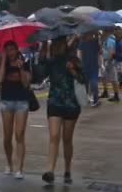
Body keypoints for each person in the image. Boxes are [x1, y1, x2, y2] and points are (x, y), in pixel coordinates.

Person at [42, 38, 84, 185]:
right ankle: (50, 170)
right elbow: (41, 75)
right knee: (54, 136)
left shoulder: (74, 59)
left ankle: (67, 169)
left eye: (59, 44)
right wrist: (44, 51)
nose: (56, 47)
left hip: (71, 104)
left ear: (65, 45)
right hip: (54, 102)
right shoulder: (52, 60)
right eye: (55, 44)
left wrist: (72, 70)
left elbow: (83, 80)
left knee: (67, 139)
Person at [0, 41, 31, 179]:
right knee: (7, 136)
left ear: (17, 50)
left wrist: (21, 69)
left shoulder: (24, 62)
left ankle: (19, 168)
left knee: (19, 134)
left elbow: (26, 83)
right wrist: (3, 61)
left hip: (22, 102)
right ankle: (9, 162)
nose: (10, 52)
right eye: (8, 50)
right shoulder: (2, 64)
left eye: (12, 49)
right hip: (6, 102)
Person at [78, 32, 100, 106]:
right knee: (86, 84)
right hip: (85, 67)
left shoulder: (95, 42)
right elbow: (79, 54)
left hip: (94, 67)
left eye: (91, 34)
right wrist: (80, 64)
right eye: (88, 34)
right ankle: (88, 96)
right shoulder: (82, 43)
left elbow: (99, 52)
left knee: (94, 83)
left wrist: (100, 63)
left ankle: (96, 99)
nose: (90, 36)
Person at [101, 31, 119, 102]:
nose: (102, 33)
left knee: (113, 79)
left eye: (103, 31)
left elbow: (112, 53)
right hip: (106, 61)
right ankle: (106, 92)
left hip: (110, 61)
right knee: (104, 77)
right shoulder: (106, 40)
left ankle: (116, 95)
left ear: (107, 32)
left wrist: (108, 62)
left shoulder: (110, 41)